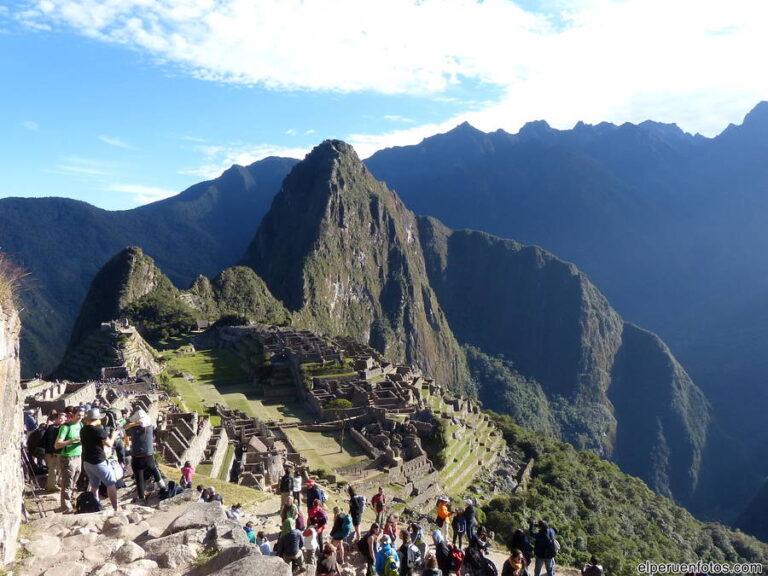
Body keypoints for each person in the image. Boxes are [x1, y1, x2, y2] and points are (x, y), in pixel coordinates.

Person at [79, 408, 119, 511]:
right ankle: (115, 508)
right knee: (110, 483)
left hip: (87, 462)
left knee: (94, 485)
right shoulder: (98, 430)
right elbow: (109, 444)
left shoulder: (83, 430)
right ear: (97, 419)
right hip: (98, 461)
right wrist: (113, 435)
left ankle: (95, 506)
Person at [124, 408, 166, 501]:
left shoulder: (134, 428)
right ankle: (162, 485)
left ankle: (141, 498)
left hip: (137, 456)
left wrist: (134, 423)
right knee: (154, 469)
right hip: (149, 454)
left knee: (139, 477)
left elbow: (125, 427)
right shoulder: (150, 427)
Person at [54, 406, 84, 513]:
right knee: (67, 482)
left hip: (78, 456)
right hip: (67, 457)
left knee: (74, 481)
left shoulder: (80, 425)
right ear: (73, 415)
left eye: (82, 415)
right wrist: (71, 441)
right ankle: (66, 507)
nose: (80, 417)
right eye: (78, 415)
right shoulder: (65, 427)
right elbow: (57, 445)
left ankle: (71, 501)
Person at [43, 411, 65, 491]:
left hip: (52, 452)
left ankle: (48, 485)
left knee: (54, 469)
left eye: (63, 419)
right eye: (60, 419)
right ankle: (51, 486)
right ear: (56, 419)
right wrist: (52, 451)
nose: (61, 420)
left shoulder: (56, 427)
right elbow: (49, 441)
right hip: (51, 452)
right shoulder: (52, 428)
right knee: (53, 469)